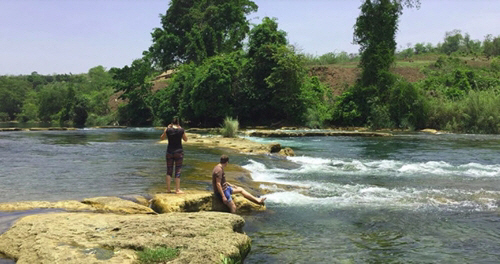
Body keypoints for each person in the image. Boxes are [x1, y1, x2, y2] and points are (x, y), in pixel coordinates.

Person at [161, 117, 188, 194]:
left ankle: (168, 189)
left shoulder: (168, 129)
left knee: (169, 171)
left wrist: (165, 130)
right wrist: (182, 129)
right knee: (178, 170)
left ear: (171, 123)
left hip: (169, 151)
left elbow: (162, 138)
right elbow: (186, 139)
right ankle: (177, 190)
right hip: (179, 152)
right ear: (178, 123)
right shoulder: (181, 130)